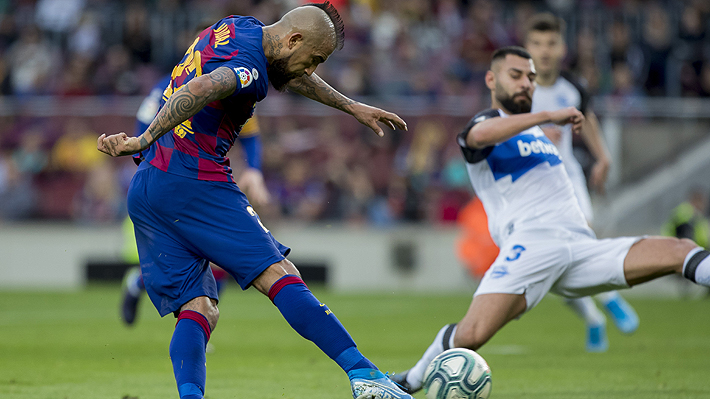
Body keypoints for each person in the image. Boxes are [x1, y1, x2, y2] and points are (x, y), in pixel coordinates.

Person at [97, 4, 411, 399]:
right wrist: (142, 138)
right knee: (279, 274)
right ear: (294, 39)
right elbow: (201, 88)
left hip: (149, 186)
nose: (310, 70)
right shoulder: (251, 67)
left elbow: (282, 73)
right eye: (312, 60)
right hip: (193, 181)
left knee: (199, 308)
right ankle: (366, 377)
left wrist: (350, 105)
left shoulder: (240, 28)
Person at [391, 46, 710, 393]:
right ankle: (407, 382)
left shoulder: (539, 133)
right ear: (491, 79)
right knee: (471, 334)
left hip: (580, 247)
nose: (526, 83)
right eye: (516, 76)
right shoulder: (488, 124)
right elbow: (475, 138)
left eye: (530, 77)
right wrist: (544, 117)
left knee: (680, 251)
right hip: (532, 245)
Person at [525, 13, 638, 352]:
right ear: (526, 47)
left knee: (582, 243)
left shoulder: (572, 88)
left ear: (562, 48)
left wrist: (602, 157)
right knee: (552, 269)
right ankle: (594, 317)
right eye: (537, 44)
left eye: (551, 43)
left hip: (567, 178)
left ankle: (610, 298)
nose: (544, 51)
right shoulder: (518, 88)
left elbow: (586, 121)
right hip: (529, 189)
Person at [120, 74, 270, 326]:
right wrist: (148, 163)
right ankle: (140, 285)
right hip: (170, 179)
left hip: (209, 176)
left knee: (217, 254)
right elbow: (143, 125)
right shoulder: (167, 86)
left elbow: (251, 134)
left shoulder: (232, 82)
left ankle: (199, 327)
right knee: (181, 260)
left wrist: (254, 170)